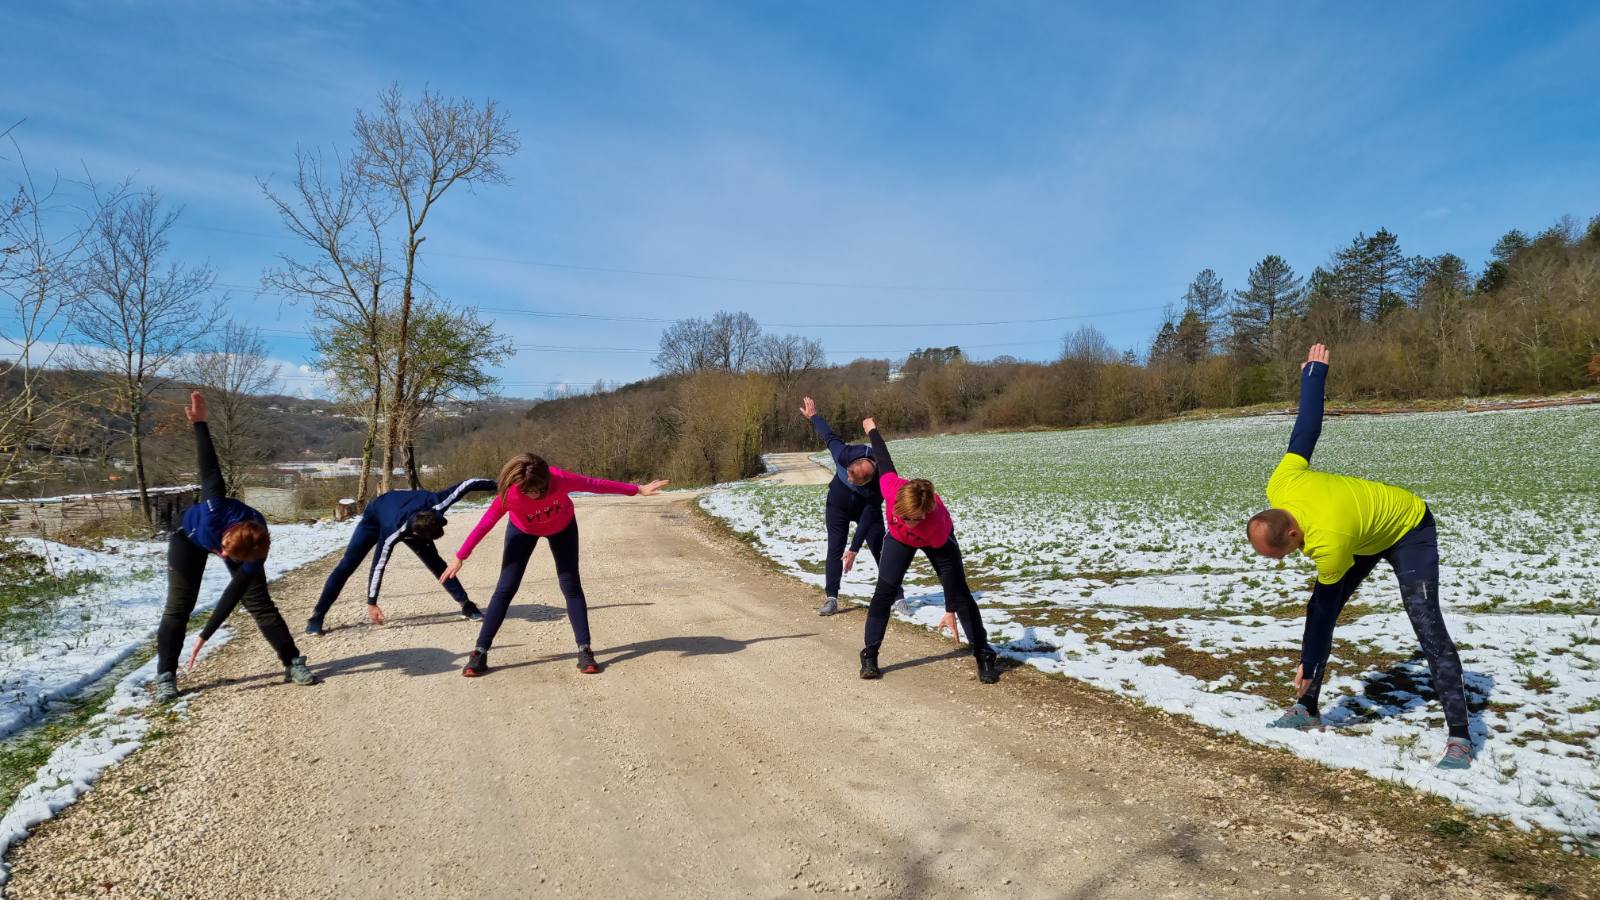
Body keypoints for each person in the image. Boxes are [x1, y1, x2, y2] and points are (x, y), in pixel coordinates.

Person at [1248, 344, 1473, 770]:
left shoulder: (1328, 542)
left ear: (1292, 531)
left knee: (1426, 624)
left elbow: (1323, 604)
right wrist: (1312, 375)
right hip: (1363, 532)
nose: (1276, 563)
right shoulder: (1282, 484)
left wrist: (1307, 661)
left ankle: (1460, 737)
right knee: (1321, 619)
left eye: (1277, 555)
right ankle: (1307, 708)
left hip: (1408, 527)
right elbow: (1306, 429)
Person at [440, 453, 668, 677]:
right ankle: (479, 652)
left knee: (570, 585)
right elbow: (485, 524)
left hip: (563, 528)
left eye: (538, 489)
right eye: (527, 491)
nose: (534, 495)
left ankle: (584, 650)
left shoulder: (559, 478)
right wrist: (461, 555)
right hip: (522, 532)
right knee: (505, 588)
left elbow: (594, 484)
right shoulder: (510, 495)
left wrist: (636, 489)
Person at [153, 392, 316, 703]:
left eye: (230, 556)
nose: (224, 556)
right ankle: (166, 675)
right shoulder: (216, 507)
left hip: (240, 544)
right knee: (178, 607)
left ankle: (292, 661)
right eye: (225, 550)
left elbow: (233, 593)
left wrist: (204, 635)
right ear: (227, 536)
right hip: (188, 539)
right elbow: (209, 467)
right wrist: (200, 424)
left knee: (260, 604)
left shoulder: (257, 546)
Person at [857, 417, 1000, 685]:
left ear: (924, 514)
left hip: (937, 543)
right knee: (883, 593)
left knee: (960, 594)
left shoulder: (936, 526)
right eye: (901, 515)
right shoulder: (891, 489)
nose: (904, 519)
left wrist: (949, 609)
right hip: (899, 541)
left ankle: (983, 653)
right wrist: (872, 430)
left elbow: (949, 572)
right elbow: (884, 459)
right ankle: (870, 654)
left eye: (911, 518)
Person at [305, 478, 498, 635]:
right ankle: (317, 616)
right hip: (375, 517)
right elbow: (378, 566)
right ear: (414, 534)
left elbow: (469, 483)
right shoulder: (391, 532)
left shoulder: (436, 504)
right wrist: (372, 602)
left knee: (436, 563)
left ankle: (466, 605)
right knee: (346, 566)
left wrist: (502, 484)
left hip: (412, 514)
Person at [799, 397, 904, 616]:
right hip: (837, 504)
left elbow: (867, 517)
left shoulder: (880, 483)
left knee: (880, 548)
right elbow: (828, 436)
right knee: (835, 548)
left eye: (852, 480)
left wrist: (855, 548)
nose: (846, 478)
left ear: (866, 481)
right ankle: (831, 597)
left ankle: (897, 596)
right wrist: (814, 416)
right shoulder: (843, 454)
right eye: (847, 473)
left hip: (866, 509)